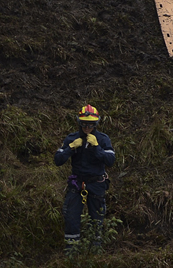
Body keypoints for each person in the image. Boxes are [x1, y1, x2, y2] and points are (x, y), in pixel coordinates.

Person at [54, 104, 116, 255]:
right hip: (77, 183)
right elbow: (58, 160)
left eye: (90, 124)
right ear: (79, 122)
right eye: (84, 124)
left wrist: (96, 147)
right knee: (71, 217)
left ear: (96, 124)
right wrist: (70, 148)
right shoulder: (72, 138)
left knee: (97, 219)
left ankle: (95, 252)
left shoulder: (102, 139)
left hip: (96, 184)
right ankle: (72, 253)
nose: (87, 127)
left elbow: (110, 161)